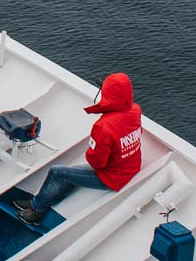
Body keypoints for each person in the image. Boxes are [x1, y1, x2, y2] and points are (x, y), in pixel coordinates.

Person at [18, 72, 143, 225]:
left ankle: (36, 209)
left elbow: (97, 163)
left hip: (111, 177)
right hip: (129, 167)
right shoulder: (135, 110)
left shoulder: (104, 127)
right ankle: (41, 200)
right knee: (68, 173)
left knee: (57, 172)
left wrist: (92, 149)